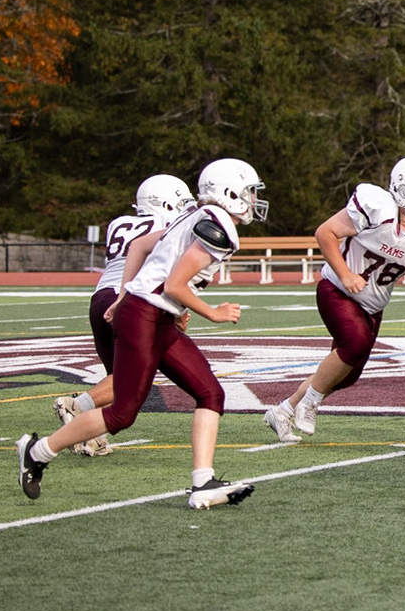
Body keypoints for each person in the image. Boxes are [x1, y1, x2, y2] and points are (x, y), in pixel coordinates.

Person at [17, 158, 266, 510]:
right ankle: (37, 452)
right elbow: (176, 284)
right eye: (250, 191)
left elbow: (139, 248)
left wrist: (124, 295)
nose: (253, 199)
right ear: (230, 192)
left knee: (210, 392)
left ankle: (203, 482)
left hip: (154, 316)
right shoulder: (217, 225)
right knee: (123, 413)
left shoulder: (195, 214)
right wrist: (213, 312)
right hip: (147, 317)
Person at [263, 157, 405, 442]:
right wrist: (346, 274)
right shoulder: (377, 206)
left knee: (345, 374)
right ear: (399, 189)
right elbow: (325, 232)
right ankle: (310, 404)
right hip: (337, 289)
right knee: (356, 342)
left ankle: (284, 410)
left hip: (373, 306)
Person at [52, 174, 195, 457]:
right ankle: (76, 404)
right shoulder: (169, 225)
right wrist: (179, 310)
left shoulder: (119, 223)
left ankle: (92, 437)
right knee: (132, 378)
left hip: (101, 298)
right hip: (132, 302)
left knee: (115, 376)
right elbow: (167, 272)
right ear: (165, 203)